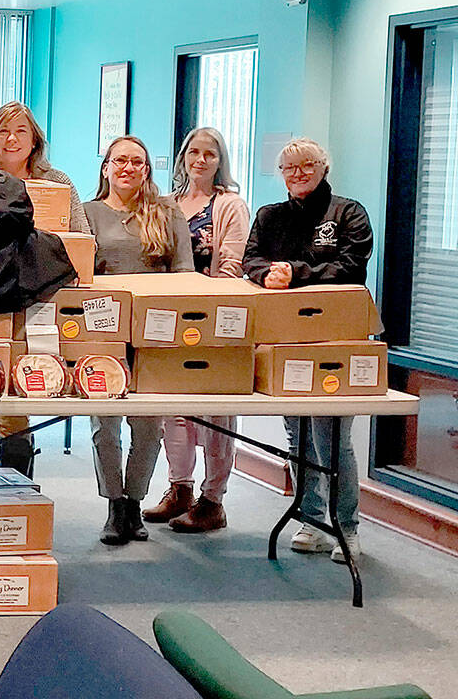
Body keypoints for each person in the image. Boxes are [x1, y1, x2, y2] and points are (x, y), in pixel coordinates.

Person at [243, 137, 373, 563]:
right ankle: (310, 518)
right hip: (284, 342)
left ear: (324, 167)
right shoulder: (269, 215)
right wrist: (268, 275)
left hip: (337, 340)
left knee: (332, 438)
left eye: (307, 165)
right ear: (281, 174)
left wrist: (295, 272)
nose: (298, 174)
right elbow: (251, 259)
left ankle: (346, 529)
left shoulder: (348, 212)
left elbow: (350, 265)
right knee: (297, 435)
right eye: (289, 168)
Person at [84, 135, 193, 545]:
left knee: (148, 425)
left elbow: (184, 273)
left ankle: (135, 501)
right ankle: (114, 504)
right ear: (106, 168)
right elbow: (81, 272)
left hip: (155, 332)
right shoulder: (89, 213)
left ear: (146, 170)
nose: (128, 168)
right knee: (104, 425)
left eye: (137, 162)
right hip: (103, 331)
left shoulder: (166, 212)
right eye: (120, 161)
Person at [144, 127, 250, 533]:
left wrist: (211, 307)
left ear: (220, 161)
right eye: (193, 152)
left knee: (216, 413)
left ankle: (213, 500)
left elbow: (233, 262)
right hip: (172, 319)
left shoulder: (230, 205)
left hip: (216, 317)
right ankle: (179, 490)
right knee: (175, 412)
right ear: (182, 157)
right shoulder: (167, 204)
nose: (200, 160)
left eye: (210, 153)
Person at [0, 101, 91, 476]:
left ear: (34, 140)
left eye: (21, 131)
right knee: (3, 377)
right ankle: (13, 464)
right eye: (3, 131)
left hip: (45, 292)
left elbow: (82, 238)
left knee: (32, 372)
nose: (12, 139)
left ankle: (19, 475)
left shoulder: (58, 183)